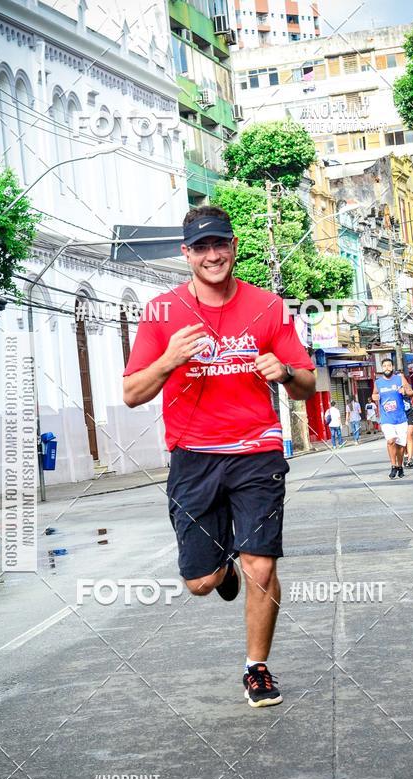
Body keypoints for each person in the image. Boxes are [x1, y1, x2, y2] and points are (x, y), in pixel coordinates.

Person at [123, 205, 316, 708]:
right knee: (201, 582)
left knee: (262, 566)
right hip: (194, 457)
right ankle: (222, 569)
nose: (213, 255)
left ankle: (257, 668)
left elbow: (307, 384)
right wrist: (169, 360)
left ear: (233, 247)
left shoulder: (269, 307)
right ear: (186, 254)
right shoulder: (161, 313)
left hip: (257, 452)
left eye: (220, 244)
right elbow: (131, 393)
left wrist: (286, 372)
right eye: (201, 247)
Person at [372, 357, 413, 479]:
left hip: (401, 418)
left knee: (401, 446)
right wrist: (375, 397)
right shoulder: (378, 382)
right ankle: (393, 466)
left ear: (392, 367)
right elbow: (374, 394)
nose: (387, 368)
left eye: (389, 366)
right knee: (391, 441)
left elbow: (411, 392)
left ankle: (400, 466)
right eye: (384, 366)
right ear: (382, 368)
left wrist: (404, 391)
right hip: (386, 419)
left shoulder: (399, 378)